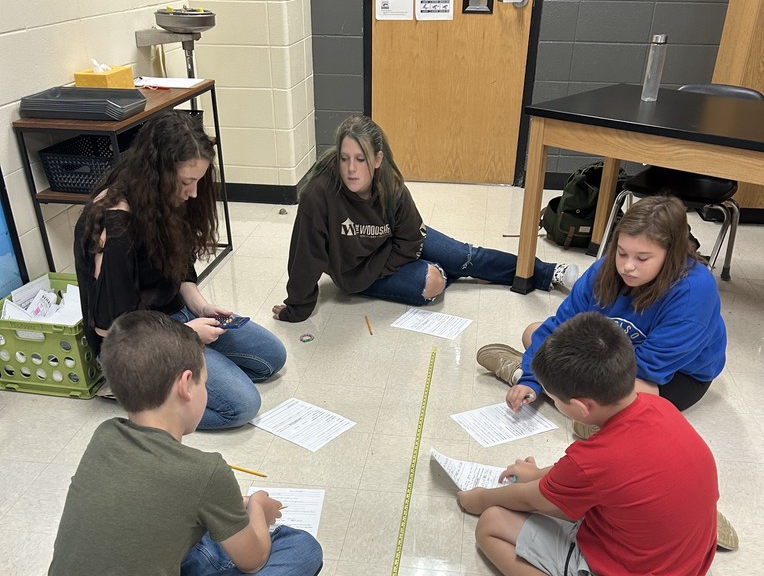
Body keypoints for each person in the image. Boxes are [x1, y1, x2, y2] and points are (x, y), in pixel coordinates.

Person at [40, 311, 322, 576]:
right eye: (206, 380)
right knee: (302, 549)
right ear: (187, 385)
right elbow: (253, 560)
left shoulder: (104, 437)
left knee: (190, 535)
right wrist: (256, 505)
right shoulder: (206, 471)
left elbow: (152, 508)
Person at [458, 313, 727, 576]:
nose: (554, 404)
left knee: (491, 524)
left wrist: (477, 498)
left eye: (554, 400)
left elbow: (532, 500)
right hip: (679, 569)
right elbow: (577, 475)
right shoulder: (658, 405)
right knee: (624, 486)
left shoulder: (595, 459)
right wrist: (537, 472)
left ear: (581, 407)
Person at [74, 110, 286, 430]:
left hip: (177, 317)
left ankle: (193, 380)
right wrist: (188, 336)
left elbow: (180, 269)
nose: (194, 193)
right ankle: (146, 401)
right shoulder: (114, 223)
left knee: (273, 357)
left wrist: (200, 305)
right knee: (242, 406)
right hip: (134, 346)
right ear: (157, 173)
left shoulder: (163, 197)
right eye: (187, 182)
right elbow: (112, 331)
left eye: (198, 181)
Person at [272, 114, 579, 322]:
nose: (351, 169)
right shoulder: (318, 193)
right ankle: (447, 271)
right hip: (357, 274)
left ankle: (544, 272)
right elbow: (305, 255)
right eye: (344, 159)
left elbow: (412, 238)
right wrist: (296, 307)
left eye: (361, 159)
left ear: (377, 160)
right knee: (434, 282)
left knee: (465, 256)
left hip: (394, 246)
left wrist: (388, 260)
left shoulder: (390, 184)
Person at [476, 194, 727, 434]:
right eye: (622, 252)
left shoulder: (695, 291)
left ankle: (557, 391)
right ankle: (568, 399)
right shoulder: (606, 269)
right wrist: (530, 378)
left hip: (672, 377)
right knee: (534, 332)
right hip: (606, 352)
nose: (628, 266)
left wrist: (565, 369)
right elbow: (562, 325)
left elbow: (651, 367)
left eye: (642, 258)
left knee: (633, 390)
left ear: (671, 255)